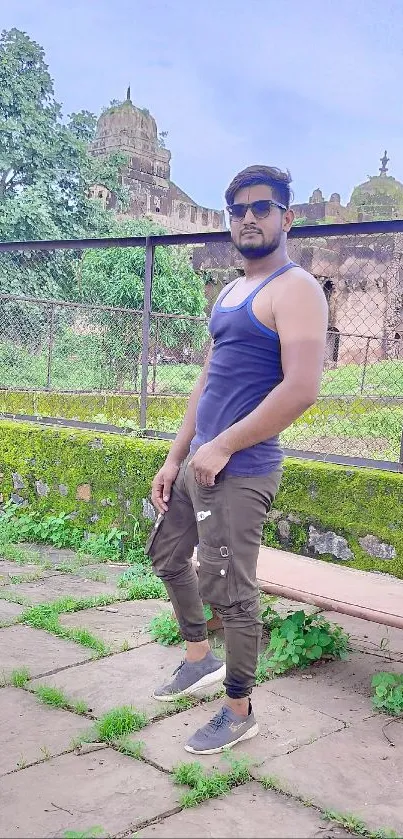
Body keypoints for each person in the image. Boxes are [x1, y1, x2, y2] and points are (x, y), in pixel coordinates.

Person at [146, 165, 328, 755]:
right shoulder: (230, 290)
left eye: (262, 207)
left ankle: (239, 708)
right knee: (170, 556)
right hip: (198, 462)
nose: (248, 217)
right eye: (238, 210)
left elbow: (302, 388)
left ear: (286, 217)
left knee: (231, 589)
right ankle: (198, 657)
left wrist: (224, 446)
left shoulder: (295, 289)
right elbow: (207, 382)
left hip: (241, 471)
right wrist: (175, 457)